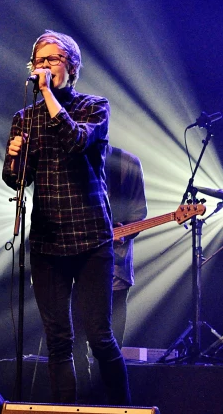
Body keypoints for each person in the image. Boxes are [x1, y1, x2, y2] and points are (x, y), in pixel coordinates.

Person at [2, 30, 131, 405]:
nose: (43, 67)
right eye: (38, 61)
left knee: (99, 336)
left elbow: (76, 142)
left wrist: (46, 94)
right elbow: (16, 181)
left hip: (91, 239)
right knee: (58, 341)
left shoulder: (94, 106)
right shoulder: (24, 118)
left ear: (71, 67)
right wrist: (13, 157)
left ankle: (125, 410)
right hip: (47, 241)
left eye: (52, 60)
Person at [72, 146, 147, 404]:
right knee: (74, 345)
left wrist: (125, 229)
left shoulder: (128, 163)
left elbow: (139, 213)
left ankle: (113, 407)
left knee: (108, 344)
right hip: (73, 268)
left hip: (114, 271)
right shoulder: (72, 156)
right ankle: (79, 404)